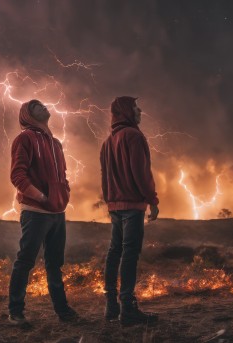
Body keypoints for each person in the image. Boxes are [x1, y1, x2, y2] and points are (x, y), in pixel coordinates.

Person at [8, 99, 78, 326]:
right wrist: (41, 197)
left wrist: (63, 195)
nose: (44, 106)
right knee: (26, 261)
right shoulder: (24, 139)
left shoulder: (56, 143)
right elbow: (17, 174)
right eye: (36, 106)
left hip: (57, 212)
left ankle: (63, 311)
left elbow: (63, 174)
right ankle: (15, 312)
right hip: (36, 212)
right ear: (28, 115)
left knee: (54, 264)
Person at [100, 96, 159, 325]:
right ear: (126, 111)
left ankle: (111, 306)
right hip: (132, 206)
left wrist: (110, 201)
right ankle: (128, 309)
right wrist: (152, 200)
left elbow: (104, 176)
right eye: (136, 107)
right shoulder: (133, 136)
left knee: (115, 252)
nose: (140, 110)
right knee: (129, 254)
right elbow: (141, 173)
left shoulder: (108, 141)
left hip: (115, 205)